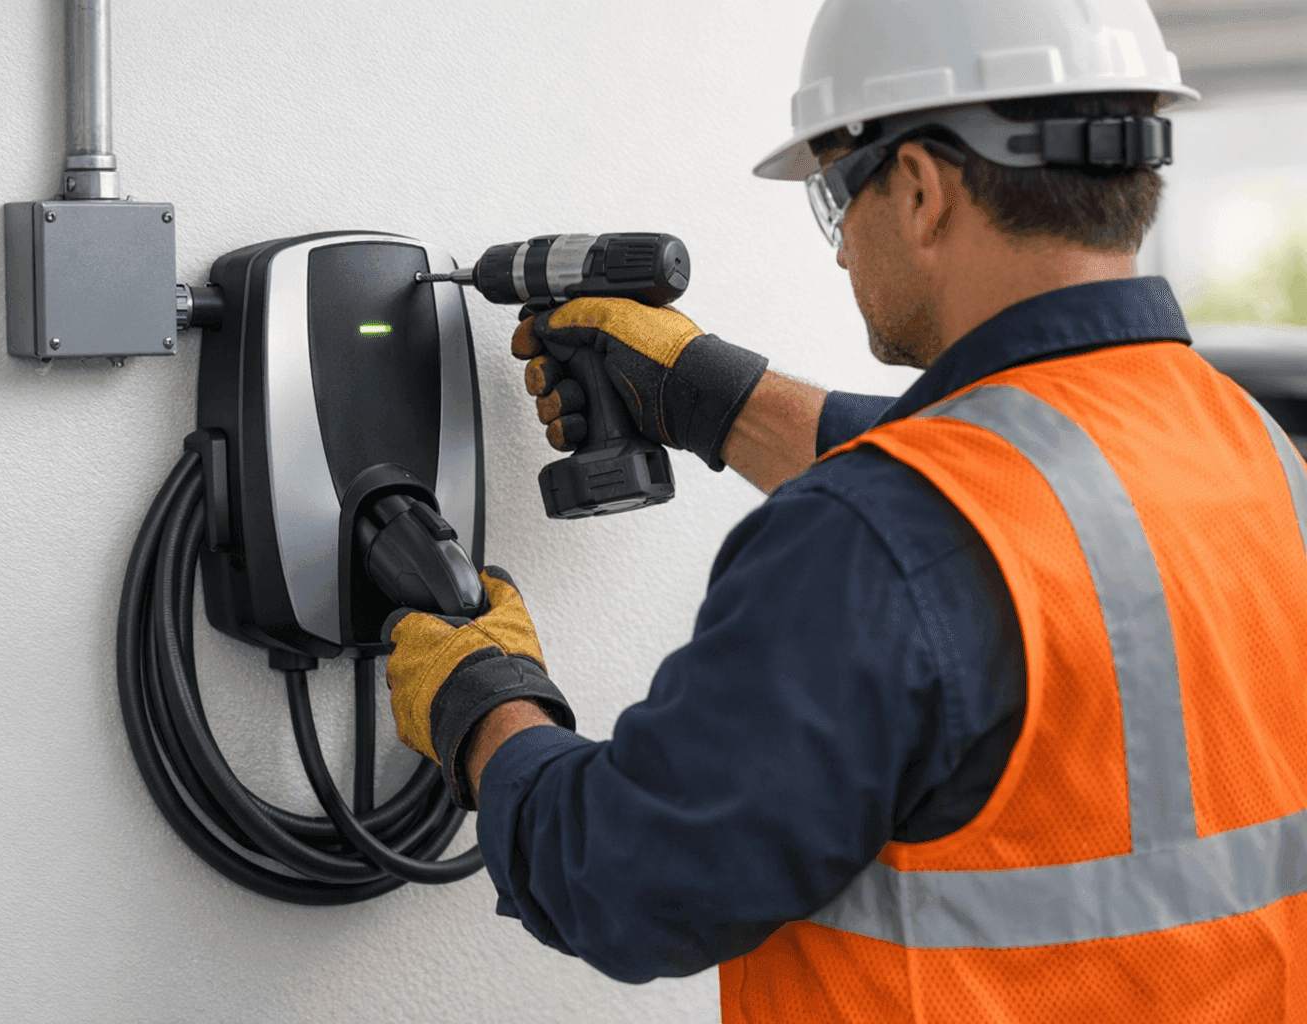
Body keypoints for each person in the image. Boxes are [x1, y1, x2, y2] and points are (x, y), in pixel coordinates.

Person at [380, 0, 1307, 1019]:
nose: (836, 253)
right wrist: (718, 397)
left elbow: (626, 877)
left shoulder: (870, 539)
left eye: (834, 196)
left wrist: (482, 699)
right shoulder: (1255, 451)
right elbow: (1029, 496)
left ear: (918, 189)